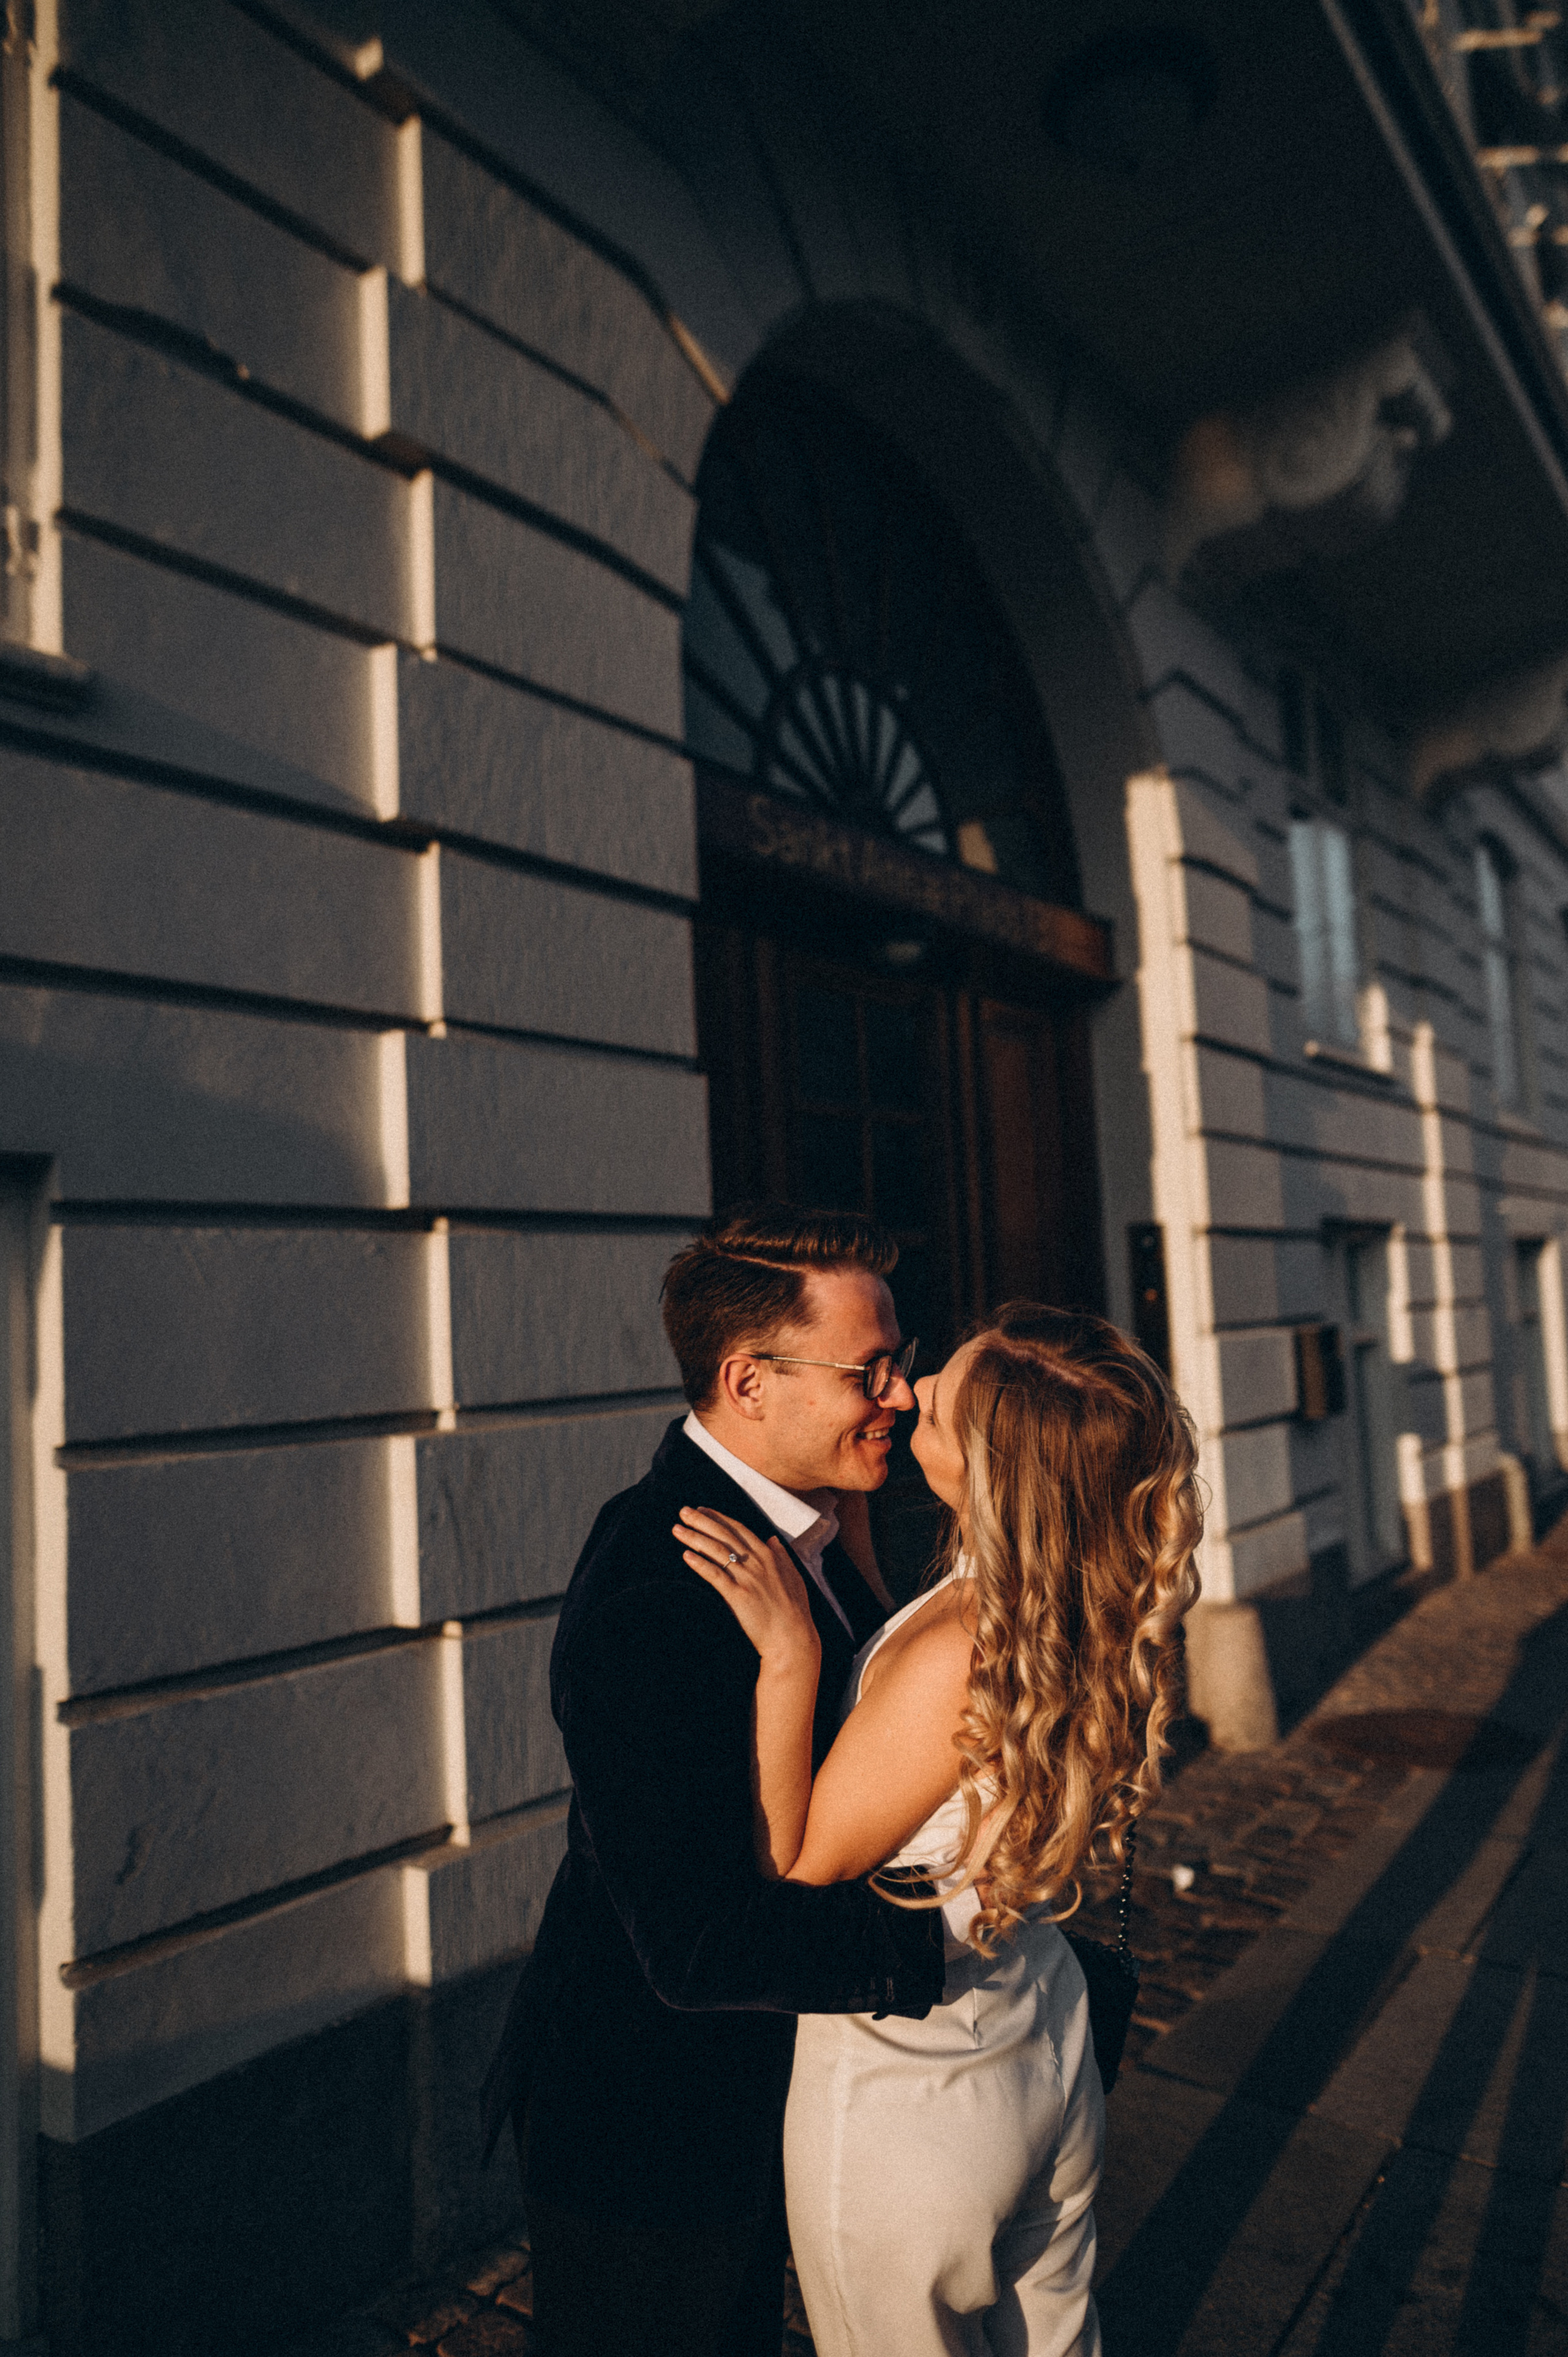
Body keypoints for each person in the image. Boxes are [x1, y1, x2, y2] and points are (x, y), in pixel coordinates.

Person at [676, 1301, 1202, 2357]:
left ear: (991, 1468)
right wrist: (858, 1540)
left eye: (936, 1403)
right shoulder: (1072, 1592)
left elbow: (800, 1862)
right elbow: (933, 1734)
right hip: (1038, 2029)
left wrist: (791, 1658)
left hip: (912, 2090)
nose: (907, 1390)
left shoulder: (957, 1649)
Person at [479, 1205, 947, 2357]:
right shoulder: (665, 1586)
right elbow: (693, 1948)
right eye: (868, 1371)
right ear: (748, 1382)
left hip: (744, 2111)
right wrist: (955, 1960)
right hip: (649, 2130)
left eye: (901, 1363)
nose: (899, 1395)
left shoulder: (815, 1529)